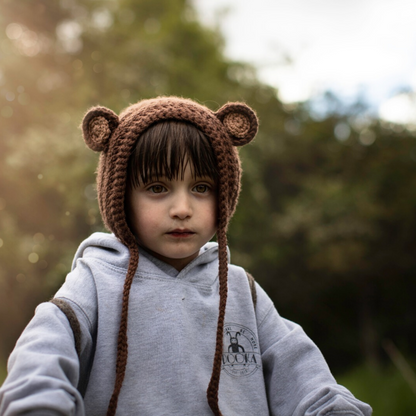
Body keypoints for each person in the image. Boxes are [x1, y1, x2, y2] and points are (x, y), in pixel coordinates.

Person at [0, 97, 372, 416]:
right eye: (158, 188)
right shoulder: (96, 278)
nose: (182, 208)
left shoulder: (242, 290)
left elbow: (299, 367)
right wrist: (38, 403)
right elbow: (44, 347)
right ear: (120, 197)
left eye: (201, 188)